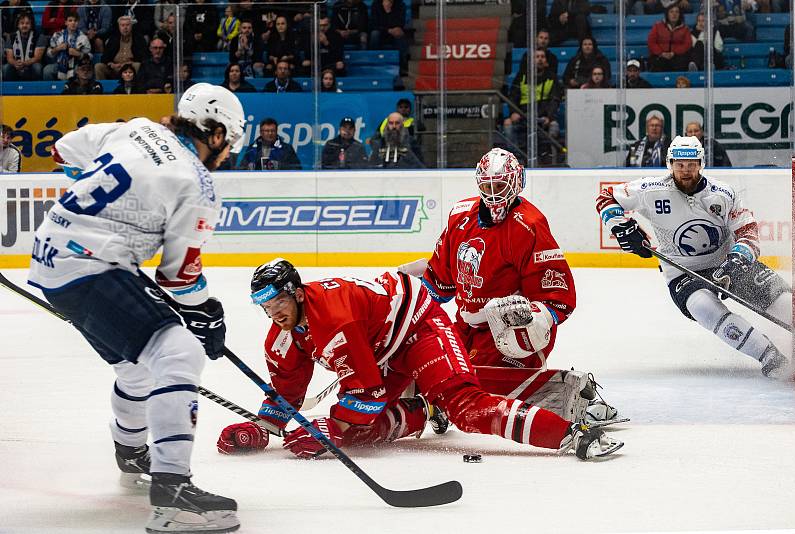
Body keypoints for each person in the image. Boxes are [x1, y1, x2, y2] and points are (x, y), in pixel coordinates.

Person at [26, 83, 244, 532]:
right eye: (229, 145)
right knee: (179, 352)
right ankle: (173, 495)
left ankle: (131, 451)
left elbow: (64, 151)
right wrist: (208, 313)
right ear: (217, 134)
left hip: (53, 256)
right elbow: (178, 278)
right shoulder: (197, 183)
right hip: (90, 266)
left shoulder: (137, 130)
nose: (226, 156)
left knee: (139, 364)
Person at [214, 259, 623, 461]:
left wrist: (330, 426)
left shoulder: (334, 320)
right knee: (355, 433)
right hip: (380, 348)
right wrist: (259, 429)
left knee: (466, 407)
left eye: (279, 300)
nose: (273, 311)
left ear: (298, 293)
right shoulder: (280, 338)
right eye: (264, 305)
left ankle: (575, 435)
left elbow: (368, 391)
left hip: (417, 327)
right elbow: (286, 391)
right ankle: (422, 410)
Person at [398, 148, 619, 425]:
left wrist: (537, 319)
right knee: (424, 363)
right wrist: (405, 299)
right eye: (488, 185)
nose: (494, 193)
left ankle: (576, 396)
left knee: (477, 393)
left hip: (507, 332)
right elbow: (440, 283)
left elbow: (557, 296)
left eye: (500, 185)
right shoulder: (460, 217)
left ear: (516, 182)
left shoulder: (529, 225)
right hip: (466, 328)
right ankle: (438, 404)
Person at [596, 136, 791, 379]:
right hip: (682, 271)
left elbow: (747, 230)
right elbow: (606, 197)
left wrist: (739, 258)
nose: (685, 171)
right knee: (704, 308)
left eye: (691, 165)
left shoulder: (723, 193)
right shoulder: (650, 189)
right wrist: (622, 227)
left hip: (728, 262)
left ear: (701, 163)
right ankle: (770, 357)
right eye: (679, 165)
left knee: (782, 299)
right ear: (670, 164)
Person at [504, 48, 563, 162]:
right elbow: (513, 97)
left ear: (546, 61)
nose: (540, 59)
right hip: (523, 116)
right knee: (507, 124)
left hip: (543, 118)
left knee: (554, 126)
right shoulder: (522, 76)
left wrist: (549, 117)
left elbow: (555, 100)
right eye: (537, 57)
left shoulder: (552, 77)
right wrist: (513, 112)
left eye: (542, 57)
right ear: (531, 60)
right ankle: (517, 158)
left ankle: (548, 158)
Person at [95, 15, 147, 80]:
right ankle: (100, 88)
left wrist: (129, 63)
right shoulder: (113, 38)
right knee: (98, 67)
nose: (125, 27)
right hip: (115, 68)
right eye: (122, 25)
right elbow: (104, 57)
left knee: (137, 65)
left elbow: (143, 57)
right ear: (119, 27)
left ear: (131, 26)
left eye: (127, 25)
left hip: (130, 69)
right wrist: (111, 64)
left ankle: (136, 88)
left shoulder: (138, 38)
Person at [43, 11, 91, 81]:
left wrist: (78, 54)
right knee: (47, 70)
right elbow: (49, 54)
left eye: (75, 21)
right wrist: (57, 48)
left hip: (76, 65)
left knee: (79, 71)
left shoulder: (83, 37)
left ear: (78, 23)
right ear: (66, 22)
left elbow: (90, 56)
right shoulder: (57, 35)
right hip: (59, 64)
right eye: (70, 20)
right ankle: (52, 90)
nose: (73, 23)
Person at [647, 3, 692, 72]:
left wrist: (674, 52)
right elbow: (651, 42)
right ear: (667, 14)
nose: (674, 14)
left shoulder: (685, 28)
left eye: (677, 12)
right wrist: (661, 53)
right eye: (671, 12)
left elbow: (687, 44)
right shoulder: (657, 26)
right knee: (657, 63)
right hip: (660, 56)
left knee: (682, 61)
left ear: (680, 15)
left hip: (677, 57)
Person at [2, 12, 47, 81]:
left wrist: (24, 63)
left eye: (27, 23)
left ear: (31, 25)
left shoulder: (40, 37)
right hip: (16, 66)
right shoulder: (10, 37)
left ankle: (36, 89)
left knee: (37, 67)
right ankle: (11, 90)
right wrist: (16, 63)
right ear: (18, 25)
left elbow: (37, 58)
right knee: (6, 68)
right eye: (22, 23)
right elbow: (9, 58)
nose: (24, 25)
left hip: (31, 66)